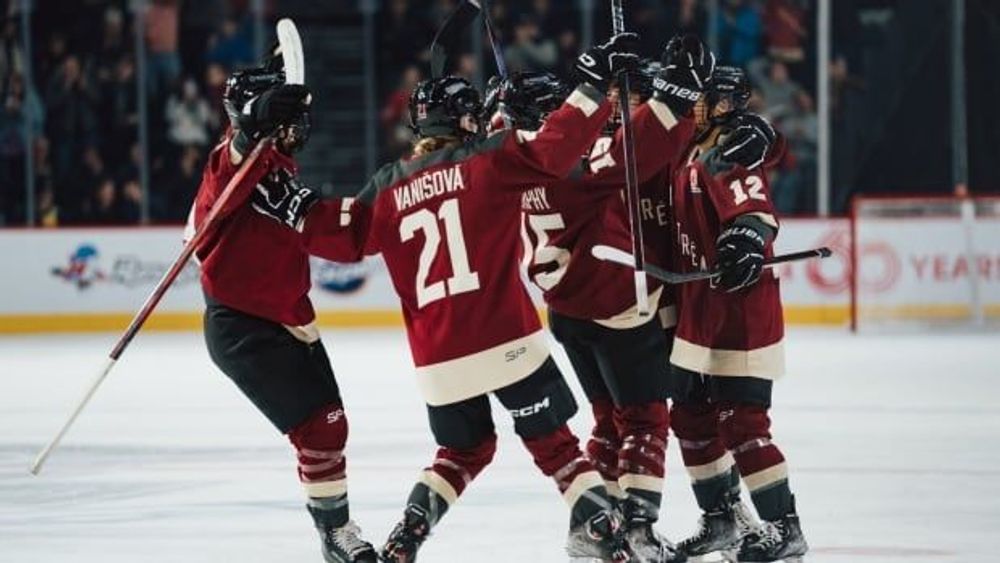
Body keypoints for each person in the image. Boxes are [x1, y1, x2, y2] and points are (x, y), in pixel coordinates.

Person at [251, 34, 642, 562]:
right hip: (507, 340)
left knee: (464, 449)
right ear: (465, 120)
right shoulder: (492, 159)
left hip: (439, 361)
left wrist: (295, 207)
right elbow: (557, 149)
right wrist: (593, 88)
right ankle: (602, 530)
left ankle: (407, 534)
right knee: (558, 450)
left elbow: (342, 238)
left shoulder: (389, 185)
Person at [494, 35, 713, 562]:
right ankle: (635, 532)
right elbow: (632, 151)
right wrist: (674, 94)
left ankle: (592, 525)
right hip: (614, 304)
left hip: (565, 311)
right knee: (642, 420)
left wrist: (613, 91)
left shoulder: (498, 161)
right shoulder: (570, 165)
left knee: (606, 420)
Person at [190, 46, 377, 563]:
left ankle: (334, 531)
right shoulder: (232, 167)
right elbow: (224, 186)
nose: (301, 128)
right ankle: (335, 535)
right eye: (288, 119)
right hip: (244, 328)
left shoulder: (269, 167)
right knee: (320, 427)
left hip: (289, 318)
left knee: (330, 426)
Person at [662, 66, 809, 563]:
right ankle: (722, 520)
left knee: (742, 423)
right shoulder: (692, 147)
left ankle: (784, 528)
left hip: (741, 315)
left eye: (702, 100)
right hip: (698, 314)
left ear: (724, 104)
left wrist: (744, 239)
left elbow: (753, 210)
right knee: (689, 417)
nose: (693, 107)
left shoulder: (733, 149)